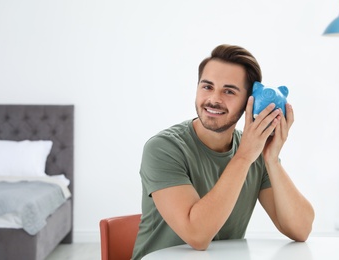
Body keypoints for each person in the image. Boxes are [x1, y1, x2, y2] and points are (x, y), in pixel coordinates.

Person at [131, 44, 315, 260]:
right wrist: (245, 156)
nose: (214, 99)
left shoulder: (254, 151)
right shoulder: (164, 148)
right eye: (207, 86)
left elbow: (301, 229)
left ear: (250, 101)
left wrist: (271, 159)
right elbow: (197, 236)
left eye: (229, 91)